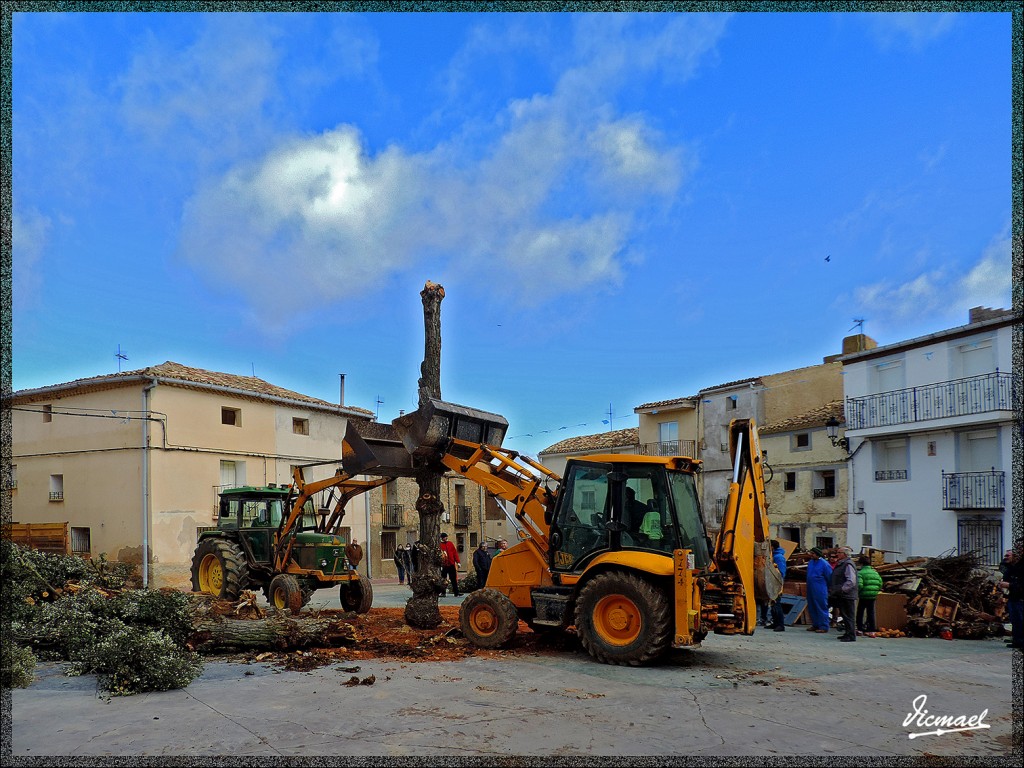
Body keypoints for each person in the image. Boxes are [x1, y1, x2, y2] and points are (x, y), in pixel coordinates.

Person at [829, 547, 858, 642]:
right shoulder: (842, 564)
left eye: (839, 552)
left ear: (844, 554)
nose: (837, 554)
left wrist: (842, 589)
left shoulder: (848, 564)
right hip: (842, 594)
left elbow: (851, 581)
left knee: (849, 615)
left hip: (847, 594)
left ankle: (851, 635)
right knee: (845, 615)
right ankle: (847, 633)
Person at [998, 542, 1023, 649]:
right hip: (1013, 598)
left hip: (1020, 598)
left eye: (1008, 555)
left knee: (1020, 621)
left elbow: (1020, 585)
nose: (1006, 557)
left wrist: (1009, 585)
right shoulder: (1010, 568)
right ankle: (1017, 641)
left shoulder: (1020, 568)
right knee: (1015, 620)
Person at [805, 547, 833, 633]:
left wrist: (829, 588)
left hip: (820, 587)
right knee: (812, 606)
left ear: (818, 554)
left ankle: (824, 626)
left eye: (813, 553)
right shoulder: (811, 562)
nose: (811, 555)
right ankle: (815, 624)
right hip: (810, 587)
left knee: (821, 606)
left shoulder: (824, 564)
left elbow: (829, 577)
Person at [856, 554, 883, 635]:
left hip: (863, 595)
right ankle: (872, 630)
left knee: (860, 612)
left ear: (861, 563)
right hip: (873, 595)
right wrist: (875, 591)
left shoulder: (860, 573)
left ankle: (860, 629)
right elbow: (880, 583)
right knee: (871, 612)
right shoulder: (875, 573)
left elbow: (859, 585)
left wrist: (858, 592)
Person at [769, 540, 788, 632]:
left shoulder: (778, 557)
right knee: (773, 604)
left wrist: (778, 582)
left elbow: (781, 572)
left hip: (776, 583)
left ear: (772, 547)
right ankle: (775, 623)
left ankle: (780, 625)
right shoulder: (773, 556)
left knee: (776, 604)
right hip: (772, 582)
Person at [440, 532, 461, 597]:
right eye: (444, 537)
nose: (446, 538)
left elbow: (454, 553)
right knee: (443, 579)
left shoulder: (450, 544)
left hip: (451, 564)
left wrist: (458, 562)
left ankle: (456, 592)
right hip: (444, 565)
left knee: (453, 579)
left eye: (446, 537)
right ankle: (443, 592)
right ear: (442, 538)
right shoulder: (440, 545)